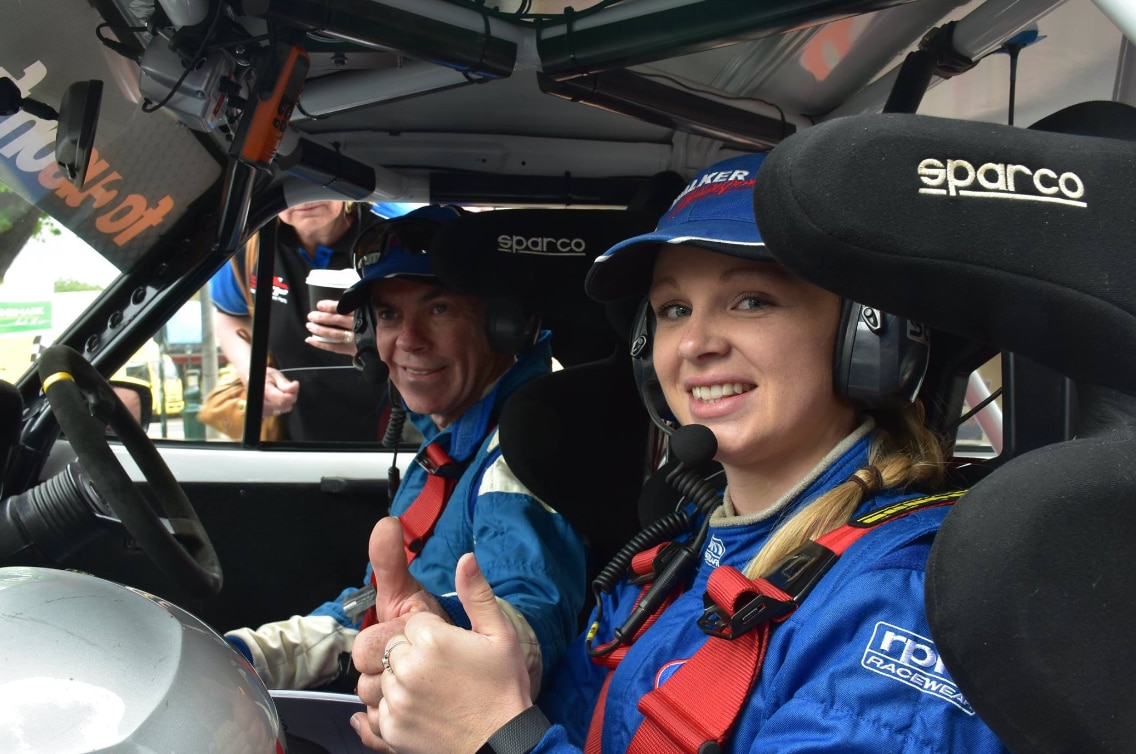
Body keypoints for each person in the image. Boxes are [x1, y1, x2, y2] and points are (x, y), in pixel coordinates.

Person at [346, 155, 1010, 753]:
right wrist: (447, 660)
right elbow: (577, 714)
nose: (694, 344)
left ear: (867, 340)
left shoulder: (908, 600)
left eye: (751, 300)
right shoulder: (684, 553)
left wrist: (493, 739)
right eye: (672, 310)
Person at [224, 205, 587, 697]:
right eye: (389, 315)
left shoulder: (519, 451)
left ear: (507, 325)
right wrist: (250, 656)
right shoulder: (449, 446)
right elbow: (375, 601)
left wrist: (437, 623)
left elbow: (529, 622)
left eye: (440, 310)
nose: (409, 341)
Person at [209, 199, 387, 441]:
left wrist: (378, 334)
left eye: (321, 182)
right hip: (294, 431)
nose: (306, 196)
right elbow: (230, 316)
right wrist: (254, 373)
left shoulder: (394, 233)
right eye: (292, 183)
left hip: (394, 430)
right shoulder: (247, 244)